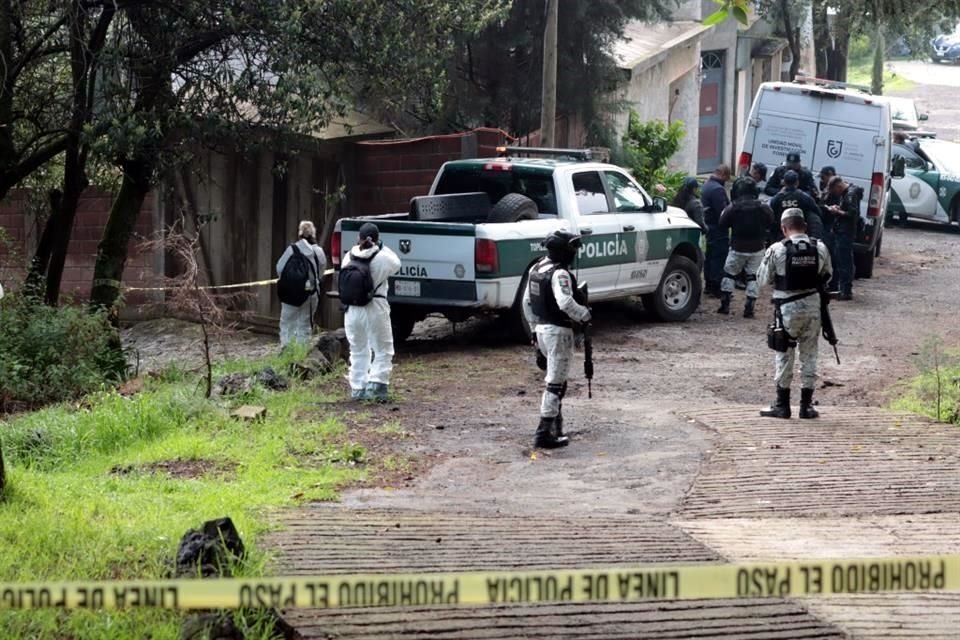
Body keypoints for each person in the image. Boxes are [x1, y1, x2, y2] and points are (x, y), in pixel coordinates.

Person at [757, 208, 833, 420]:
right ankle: (806, 406)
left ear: (784, 228)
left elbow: (762, 280)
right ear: (805, 227)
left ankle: (782, 405)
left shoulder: (776, 249)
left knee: (784, 355)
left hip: (786, 310)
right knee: (809, 355)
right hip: (813, 309)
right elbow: (828, 275)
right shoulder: (820, 247)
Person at [522, 229, 592, 449]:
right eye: (572, 248)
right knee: (554, 384)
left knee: (556, 381)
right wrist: (585, 314)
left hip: (542, 330)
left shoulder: (537, 267)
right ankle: (544, 433)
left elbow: (527, 303)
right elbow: (564, 302)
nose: (574, 253)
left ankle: (555, 426)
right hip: (558, 333)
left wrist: (534, 331)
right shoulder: (559, 273)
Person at [341, 222, 401, 401]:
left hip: (351, 310)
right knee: (383, 348)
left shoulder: (348, 256)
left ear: (358, 238)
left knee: (358, 349)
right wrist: (380, 246)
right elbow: (397, 262)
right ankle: (377, 386)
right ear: (377, 239)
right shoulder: (383, 258)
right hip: (374, 307)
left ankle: (358, 388)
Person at [717, 177, 776, 318]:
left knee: (729, 274)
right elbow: (771, 221)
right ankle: (749, 307)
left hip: (737, 246)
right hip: (757, 247)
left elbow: (722, 223)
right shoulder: (763, 207)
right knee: (753, 277)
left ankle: (725, 304)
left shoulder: (733, 207)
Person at [276, 220, 327, 348]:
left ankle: (286, 350)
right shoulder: (318, 251)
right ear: (314, 234)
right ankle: (302, 353)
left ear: (299, 233)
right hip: (310, 294)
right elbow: (320, 272)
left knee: (287, 323)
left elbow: (279, 268)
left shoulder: (291, 249)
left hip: (290, 294)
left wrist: (291, 282)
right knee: (305, 323)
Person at [823, 175, 862, 301]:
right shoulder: (847, 193)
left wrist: (837, 211)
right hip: (841, 230)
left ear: (838, 186)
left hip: (846, 232)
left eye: (835, 191)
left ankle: (846, 290)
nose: (835, 194)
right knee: (839, 260)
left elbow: (852, 214)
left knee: (845, 261)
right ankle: (840, 288)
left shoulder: (850, 194)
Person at [702, 165, 732, 297]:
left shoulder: (707, 185)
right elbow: (723, 212)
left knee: (710, 256)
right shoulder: (718, 190)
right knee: (718, 258)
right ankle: (716, 287)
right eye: (727, 177)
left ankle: (708, 285)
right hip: (718, 228)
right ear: (723, 175)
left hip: (708, 226)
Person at [768, 170, 825, 240]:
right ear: (797, 182)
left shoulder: (777, 198)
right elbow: (818, 212)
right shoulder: (804, 197)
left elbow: (770, 217)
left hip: (781, 235)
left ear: (784, 182)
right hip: (800, 235)